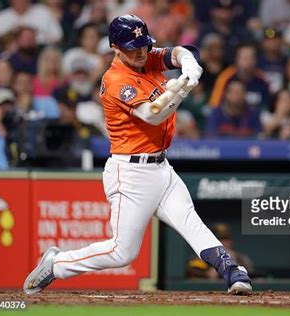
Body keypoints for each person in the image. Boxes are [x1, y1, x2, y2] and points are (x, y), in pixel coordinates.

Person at [23, 14, 251, 295]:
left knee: (189, 220)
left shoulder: (145, 57)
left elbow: (177, 53)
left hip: (161, 167)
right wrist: (181, 89)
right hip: (131, 173)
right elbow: (151, 115)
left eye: (143, 44)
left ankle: (233, 271)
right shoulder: (116, 79)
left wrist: (189, 63)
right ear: (116, 48)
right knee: (122, 253)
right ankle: (57, 264)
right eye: (133, 46)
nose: (141, 50)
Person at [187, 223, 255, 279]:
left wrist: (233, 264)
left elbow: (252, 278)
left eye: (226, 239)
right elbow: (194, 278)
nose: (223, 243)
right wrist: (210, 273)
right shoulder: (201, 257)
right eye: (219, 239)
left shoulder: (241, 259)